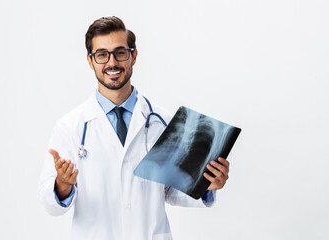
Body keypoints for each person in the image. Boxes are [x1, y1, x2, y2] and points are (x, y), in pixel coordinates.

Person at [38, 16, 230, 240]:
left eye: (120, 52)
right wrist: (62, 184)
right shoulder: (70, 127)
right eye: (101, 55)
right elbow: (49, 203)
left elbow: (172, 190)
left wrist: (207, 184)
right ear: (90, 61)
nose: (112, 63)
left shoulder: (162, 120)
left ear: (133, 56)